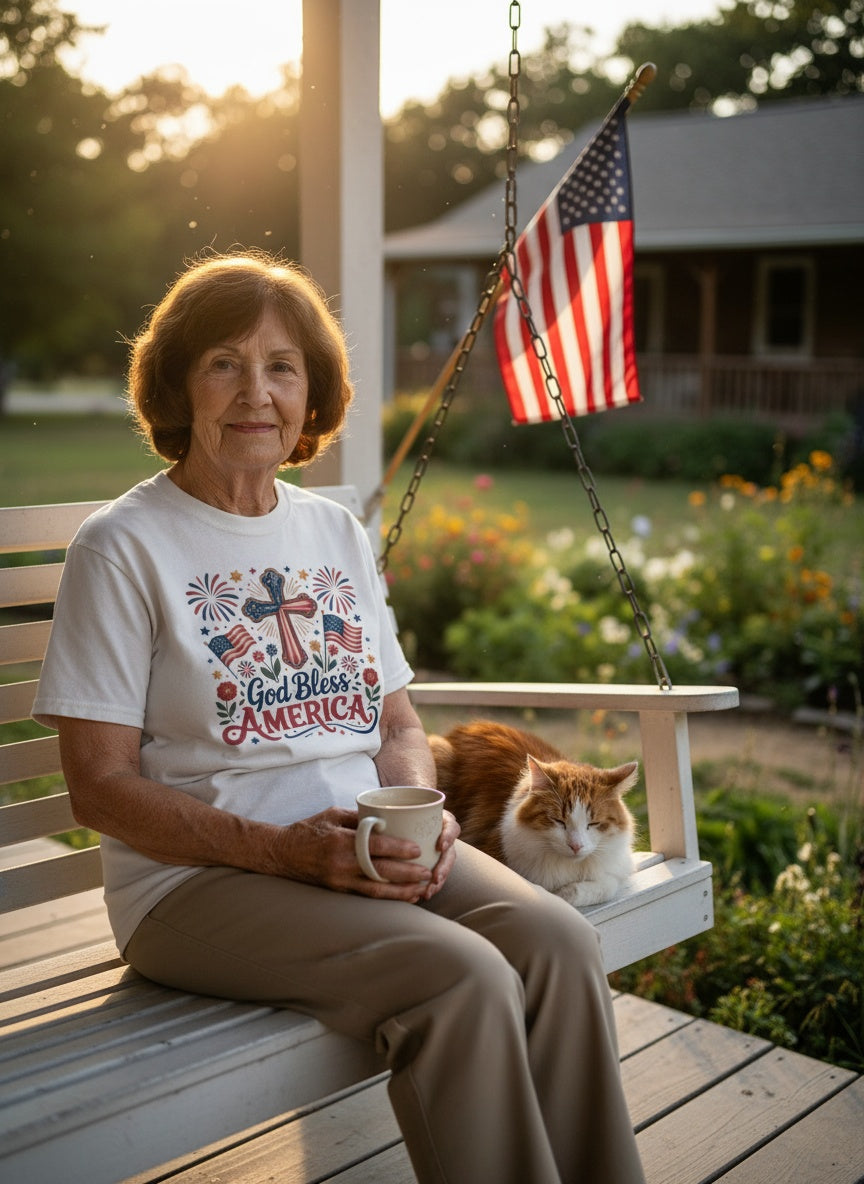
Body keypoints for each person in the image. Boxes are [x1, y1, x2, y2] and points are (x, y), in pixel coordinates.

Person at [33, 251, 645, 1184]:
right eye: (224, 363)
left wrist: (420, 815)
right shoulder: (123, 547)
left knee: (559, 942)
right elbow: (100, 789)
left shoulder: (332, 531)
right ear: (177, 385)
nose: (257, 392)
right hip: (195, 885)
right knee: (465, 975)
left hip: (364, 852)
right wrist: (283, 852)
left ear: (311, 392)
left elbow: (398, 725)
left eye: (282, 367)